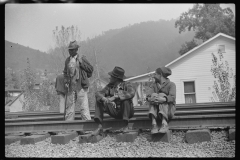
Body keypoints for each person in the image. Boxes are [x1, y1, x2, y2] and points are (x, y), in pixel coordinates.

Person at [55, 40, 93, 121]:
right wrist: (66, 81)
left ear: (76, 50)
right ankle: (69, 126)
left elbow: (90, 69)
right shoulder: (67, 60)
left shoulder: (82, 58)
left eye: (72, 50)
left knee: (84, 108)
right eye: (69, 49)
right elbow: (65, 73)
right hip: (71, 87)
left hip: (81, 86)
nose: (70, 51)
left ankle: (87, 125)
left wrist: (81, 63)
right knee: (69, 109)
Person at [92, 66, 136, 135]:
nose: (109, 77)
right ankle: (99, 127)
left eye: (111, 76)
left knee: (126, 100)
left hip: (127, 112)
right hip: (115, 111)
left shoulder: (127, 84)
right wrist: (105, 99)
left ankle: (125, 126)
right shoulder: (110, 86)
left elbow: (132, 93)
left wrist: (115, 97)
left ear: (116, 78)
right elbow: (98, 93)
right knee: (99, 100)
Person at [146, 66, 176, 134]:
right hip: (156, 112)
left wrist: (163, 99)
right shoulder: (153, 85)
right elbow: (148, 96)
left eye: (155, 74)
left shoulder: (171, 85)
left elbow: (172, 97)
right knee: (153, 95)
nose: (154, 76)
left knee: (162, 95)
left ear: (161, 75)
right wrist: (151, 98)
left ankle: (164, 124)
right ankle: (154, 124)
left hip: (169, 110)